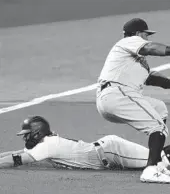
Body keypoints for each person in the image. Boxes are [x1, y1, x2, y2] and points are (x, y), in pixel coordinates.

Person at [96, 18, 170, 183]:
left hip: (115, 97)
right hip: (117, 93)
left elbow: (153, 79)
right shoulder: (129, 41)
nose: (147, 38)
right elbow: (151, 47)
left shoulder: (135, 62)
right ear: (137, 34)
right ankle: (151, 169)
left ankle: (158, 163)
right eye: (146, 34)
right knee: (157, 126)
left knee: (158, 108)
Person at [1, 115, 170, 173]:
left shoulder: (47, 145)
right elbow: (16, 153)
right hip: (106, 153)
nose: (24, 138)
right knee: (157, 158)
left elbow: (16, 160)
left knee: (158, 160)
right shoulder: (44, 144)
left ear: (37, 133)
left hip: (111, 151)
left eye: (27, 135)